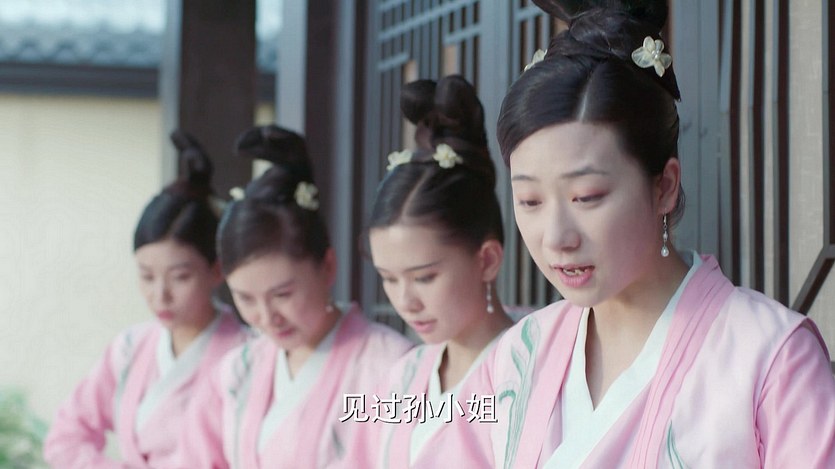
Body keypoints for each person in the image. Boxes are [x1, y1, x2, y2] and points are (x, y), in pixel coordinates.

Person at [427, 1, 835, 467]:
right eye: (531, 201)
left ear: (664, 186)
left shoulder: (771, 358)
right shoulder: (517, 356)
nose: (556, 237)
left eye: (587, 196)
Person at [176, 125, 413, 468]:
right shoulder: (236, 372)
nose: (266, 316)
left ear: (327, 266)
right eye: (246, 298)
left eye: (282, 294)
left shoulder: (391, 366)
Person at [44, 131, 251, 468]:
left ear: (217, 270)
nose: (160, 295)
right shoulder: (130, 349)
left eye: (180, 277)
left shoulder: (248, 357)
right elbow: (66, 436)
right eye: (147, 276)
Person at [341, 75, 514, 468]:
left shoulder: (536, 366)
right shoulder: (402, 379)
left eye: (424, 277)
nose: (405, 301)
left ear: (487, 259)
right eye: (389, 278)